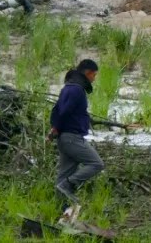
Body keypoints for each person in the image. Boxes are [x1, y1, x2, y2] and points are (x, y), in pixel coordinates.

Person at [49, 59, 104, 214]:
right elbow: (64, 111)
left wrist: (54, 129)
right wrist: (56, 128)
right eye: (94, 75)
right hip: (72, 138)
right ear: (88, 73)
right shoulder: (77, 90)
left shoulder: (68, 87)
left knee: (63, 176)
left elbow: (57, 109)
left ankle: (61, 212)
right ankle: (70, 184)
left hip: (64, 139)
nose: (94, 78)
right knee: (96, 163)